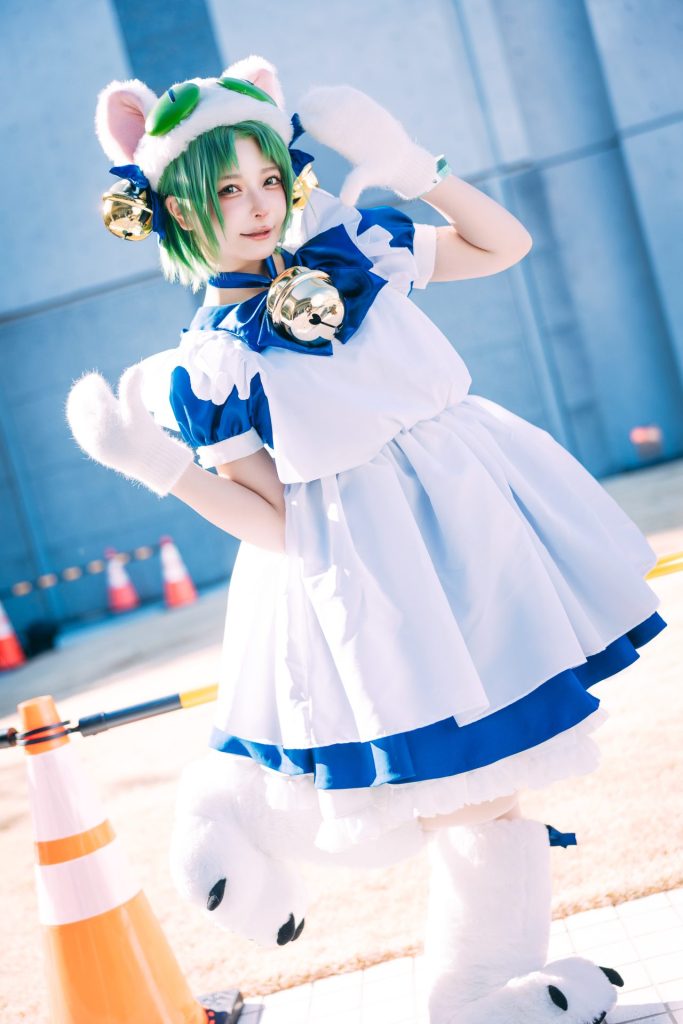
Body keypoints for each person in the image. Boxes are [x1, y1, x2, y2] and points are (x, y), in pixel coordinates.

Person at [68, 55, 665, 1018]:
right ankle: (459, 988)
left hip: (474, 516)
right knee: (472, 789)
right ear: (174, 209)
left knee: (494, 785)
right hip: (382, 569)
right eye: (226, 190)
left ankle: (477, 992)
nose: (258, 205)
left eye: (268, 178)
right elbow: (272, 520)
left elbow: (502, 244)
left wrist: (414, 166)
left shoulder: (355, 245)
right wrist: (160, 466)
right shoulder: (210, 366)